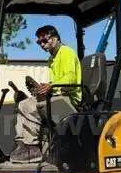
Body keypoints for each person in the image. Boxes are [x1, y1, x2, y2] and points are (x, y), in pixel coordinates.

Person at [9, 25, 82, 163]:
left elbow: (70, 79)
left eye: (44, 40)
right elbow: (58, 81)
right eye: (39, 42)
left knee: (29, 106)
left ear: (55, 38)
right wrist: (43, 87)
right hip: (59, 95)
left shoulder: (66, 52)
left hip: (70, 99)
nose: (42, 44)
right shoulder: (53, 58)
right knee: (22, 104)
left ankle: (32, 149)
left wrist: (51, 86)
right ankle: (22, 144)